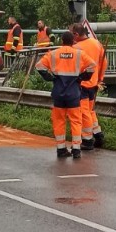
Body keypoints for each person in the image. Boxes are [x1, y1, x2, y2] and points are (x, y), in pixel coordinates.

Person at [36, 31, 96, 159]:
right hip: (73, 92)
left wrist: (50, 78)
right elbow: (92, 65)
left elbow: (39, 66)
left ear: (61, 40)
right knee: (76, 121)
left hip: (58, 92)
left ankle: (61, 149)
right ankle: (76, 149)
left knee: (59, 121)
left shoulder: (53, 54)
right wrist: (82, 77)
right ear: (73, 41)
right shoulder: (79, 54)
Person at [71, 23, 108, 149]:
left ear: (76, 34)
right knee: (91, 111)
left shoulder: (76, 47)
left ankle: (87, 139)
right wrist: (100, 79)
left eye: (72, 34)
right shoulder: (96, 43)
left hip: (82, 84)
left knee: (84, 112)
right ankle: (97, 133)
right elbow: (104, 62)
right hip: (93, 83)